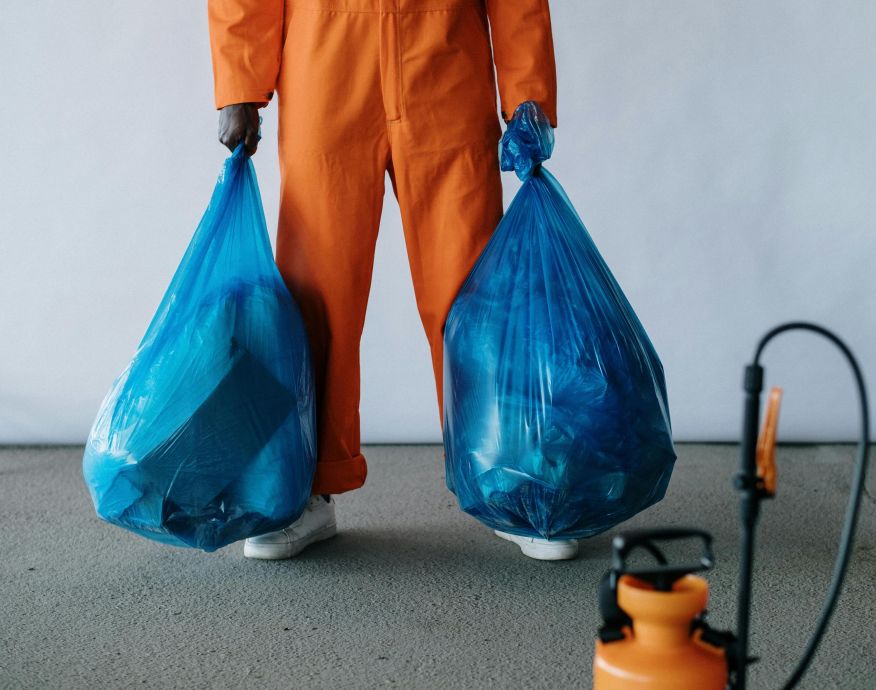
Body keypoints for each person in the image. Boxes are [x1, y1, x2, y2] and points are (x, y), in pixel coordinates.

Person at [208, 0, 576, 561]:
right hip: (324, 58)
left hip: (445, 56)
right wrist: (239, 80)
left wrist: (527, 88)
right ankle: (308, 486)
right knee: (316, 290)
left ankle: (511, 479)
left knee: (472, 287)